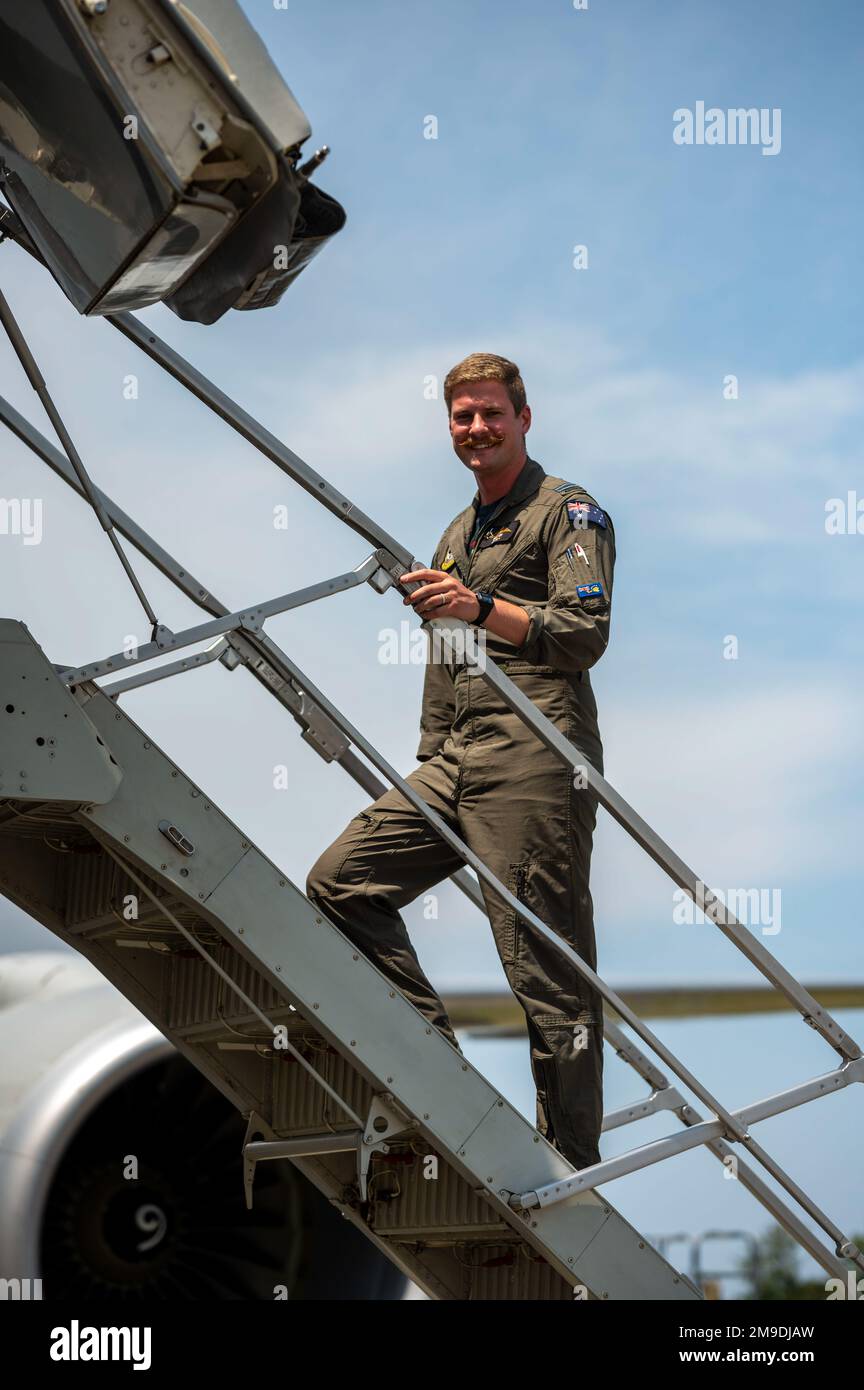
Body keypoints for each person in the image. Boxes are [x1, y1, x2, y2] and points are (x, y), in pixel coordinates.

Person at [306, 351, 615, 1170]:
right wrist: (433, 751)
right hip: (457, 754)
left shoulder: (568, 512)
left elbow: (584, 635)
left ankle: (569, 1168)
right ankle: (439, 1075)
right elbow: (447, 655)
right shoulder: (456, 534)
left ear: (523, 418)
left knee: (544, 968)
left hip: (535, 752)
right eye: (462, 416)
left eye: (491, 414)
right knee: (341, 883)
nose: (477, 428)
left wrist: (481, 607)